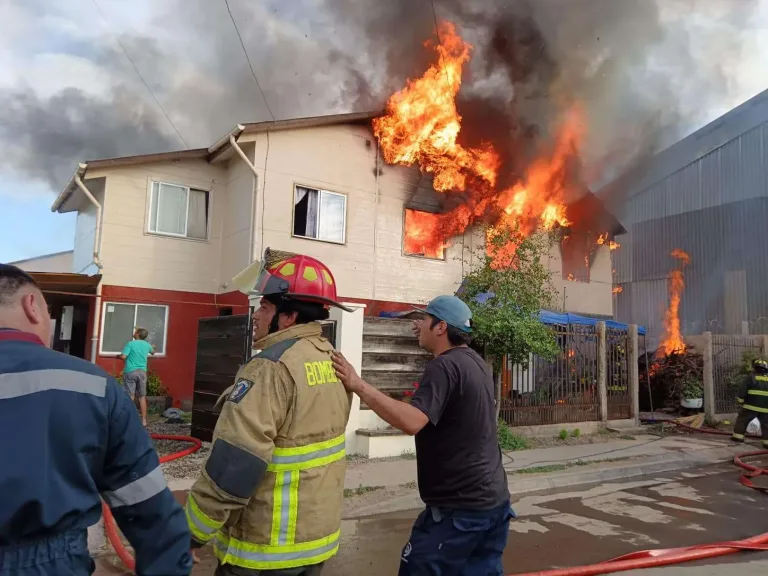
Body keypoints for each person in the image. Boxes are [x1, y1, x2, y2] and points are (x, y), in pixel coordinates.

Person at [0, 263, 192, 575]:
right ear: (32, 306)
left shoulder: (124, 353)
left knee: (128, 394)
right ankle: (142, 419)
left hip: (130, 372)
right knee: (135, 400)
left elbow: (121, 355)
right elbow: (150, 509)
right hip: (53, 566)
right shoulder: (91, 385)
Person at [185, 250, 354, 576]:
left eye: (264, 307)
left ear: (288, 317)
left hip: (265, 548)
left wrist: (191, 533)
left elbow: (234, 463)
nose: (256, 315)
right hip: (313, 544)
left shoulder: (270, 368)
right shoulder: (330, 358)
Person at [332, 295, 514, 575]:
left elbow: (412, 422)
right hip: (493, 502)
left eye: (425, 320)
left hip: (459, 510)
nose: (419, 325)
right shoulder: (476, 363)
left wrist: (358, 384)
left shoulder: (444, 367)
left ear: (441, 327)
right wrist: (427, 331)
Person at [118, 327, 155, 426]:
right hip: (142, 372)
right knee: (142, 397)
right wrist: (152, 346)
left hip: (130, 371)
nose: (133, 333)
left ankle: (128, 419)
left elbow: (123, 356)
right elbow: (153, 352)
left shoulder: (130, 344)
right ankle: (143, 421)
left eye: (135, 332)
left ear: (138, 334)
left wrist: (119, 356)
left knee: (130, 396)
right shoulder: (147, 345)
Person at [731, 358, 768, 447]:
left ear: (755, 368)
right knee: (767, 425)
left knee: (742, 420)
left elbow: (743, 390)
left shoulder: (750, 377)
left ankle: (738, 437)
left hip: (750, 406)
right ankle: (767, 443)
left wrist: (741, 401)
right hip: (766, 409)